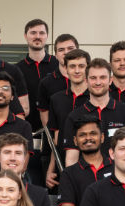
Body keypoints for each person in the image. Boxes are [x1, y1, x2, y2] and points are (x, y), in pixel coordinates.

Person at [60, 58, 125, 167]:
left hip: (120, 178)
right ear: (86, 81)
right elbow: (71, 159)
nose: (98, 82)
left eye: (102, 77)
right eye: (93, 78)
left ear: (110, 80)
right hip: (87, 180)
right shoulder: (74, 116)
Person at [44, 47, 89, 188]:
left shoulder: (95, 98)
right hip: (63, 166)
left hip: (90, 165)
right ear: (66, 69)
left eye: (81, 66)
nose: (77, 71)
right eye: (72, 66)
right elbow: (55, 139)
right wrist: (51, 169)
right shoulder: (56, 99)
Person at [18, 18, 60, 132]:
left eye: (41, 33)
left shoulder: (58, 65)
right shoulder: (17, 69)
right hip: (26, 130)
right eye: (33, 33)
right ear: (25, 36)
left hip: (55, 129)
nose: (37, 36)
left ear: (47, 36)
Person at [36, 33, 80, 131]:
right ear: (55, 55)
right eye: (61, 50)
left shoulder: (90, 81)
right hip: (57, 141)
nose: (66, 52)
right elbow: (45, 120)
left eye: (70, 48)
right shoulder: (46, 83)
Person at [0, 72, 33, 140]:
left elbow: (27, 151)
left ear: (12, 96)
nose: (0, 91)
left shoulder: (24, 126)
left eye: (5, 88)